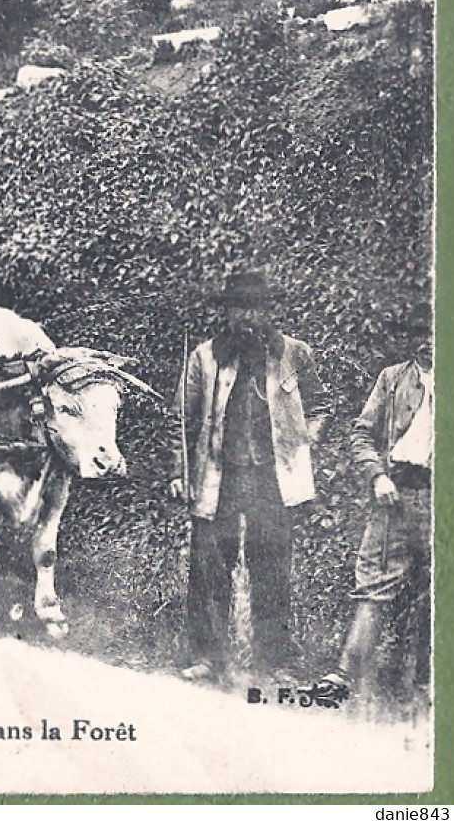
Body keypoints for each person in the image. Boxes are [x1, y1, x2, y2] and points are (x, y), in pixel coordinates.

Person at [171, 270, 328, 686]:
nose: (247, 318)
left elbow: (321, 405)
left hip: (272, 480)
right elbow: (183, 422)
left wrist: (306, 438)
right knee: (208, 568)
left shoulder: (294, 354)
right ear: (226, 313)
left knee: (272, 568)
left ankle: (275, 662)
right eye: (239, 308)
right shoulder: (205, 357)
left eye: (255, 309)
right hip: (219, 478)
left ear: (267, 312)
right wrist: (178, 473)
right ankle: (208, 658)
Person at [310, 299, 433, 706]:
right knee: (373, 588)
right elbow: (361, 435)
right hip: (396, 493)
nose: (429, 344)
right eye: (421, 336)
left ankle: (426, 687)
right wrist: (378, 475)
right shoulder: (393, 379)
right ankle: (344, 679)